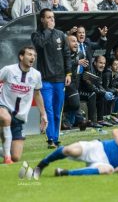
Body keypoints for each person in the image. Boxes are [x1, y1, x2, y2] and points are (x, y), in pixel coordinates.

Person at [33, 127, 118, 177]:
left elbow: (117, 171)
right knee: (70, 150)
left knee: (108, 171)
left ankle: (64, 173)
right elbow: (116, 131)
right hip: (99, 148)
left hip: (105, 163)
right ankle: (42, 165)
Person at [31, 8, 72, 149]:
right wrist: (48, 30)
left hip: (60, 79)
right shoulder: (36, 35)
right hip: (45, 80)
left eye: (53, 17)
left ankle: (56, 137)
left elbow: (67, 55)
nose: (51, 20)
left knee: (57, 110)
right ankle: (51, 139)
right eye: (48, 17)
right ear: (42, 19)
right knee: (48, 109)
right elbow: (40, 44)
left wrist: (68, 73)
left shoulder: (61, 34)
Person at [0, 46, 48, 164]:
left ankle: (8, 154)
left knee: (16, 156)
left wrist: (43, 114)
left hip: (19, 118)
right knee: (5, 118)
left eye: (34, 56)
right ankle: (7, 158)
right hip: (3, 107)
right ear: (21, 57)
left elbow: (37, 94)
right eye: (30, 54)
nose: (33, 57)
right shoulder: (9, 70)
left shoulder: (36, 75)